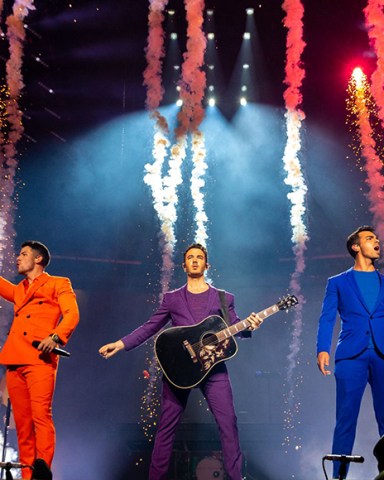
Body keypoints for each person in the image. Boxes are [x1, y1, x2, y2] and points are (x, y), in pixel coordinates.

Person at [99, 243, 262, 480]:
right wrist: (121, 343)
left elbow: (235, 326)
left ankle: (236, 477)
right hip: (180, 370)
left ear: (207, 265)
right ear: (184, 265)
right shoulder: (172, 299)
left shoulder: (224, 297)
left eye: (199, 257)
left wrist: (249, 326)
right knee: (166, 426)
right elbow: (149, 327)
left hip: (214, 369)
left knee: (228, 423)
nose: (195, 260)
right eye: (190, 258)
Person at [0, 241, 80, 479]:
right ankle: (28, 475)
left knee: (41, 415)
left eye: (23, 254)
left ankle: (42, 468)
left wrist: (56, 336)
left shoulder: (58, 283)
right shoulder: (19, 289)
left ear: (38, 259)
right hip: (15, 359)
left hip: (39, 358)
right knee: (23, 425)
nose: (17, 258)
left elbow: (72, 314)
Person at [317, 226, 384, 479]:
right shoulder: (337, 282)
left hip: (382, 354)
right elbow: (326, 319)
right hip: (351, 357)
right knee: (346, 420)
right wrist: (322, 349)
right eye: (369, 238)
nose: (376, 241)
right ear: (356, 247)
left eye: (376, 238)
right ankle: (339, 477)